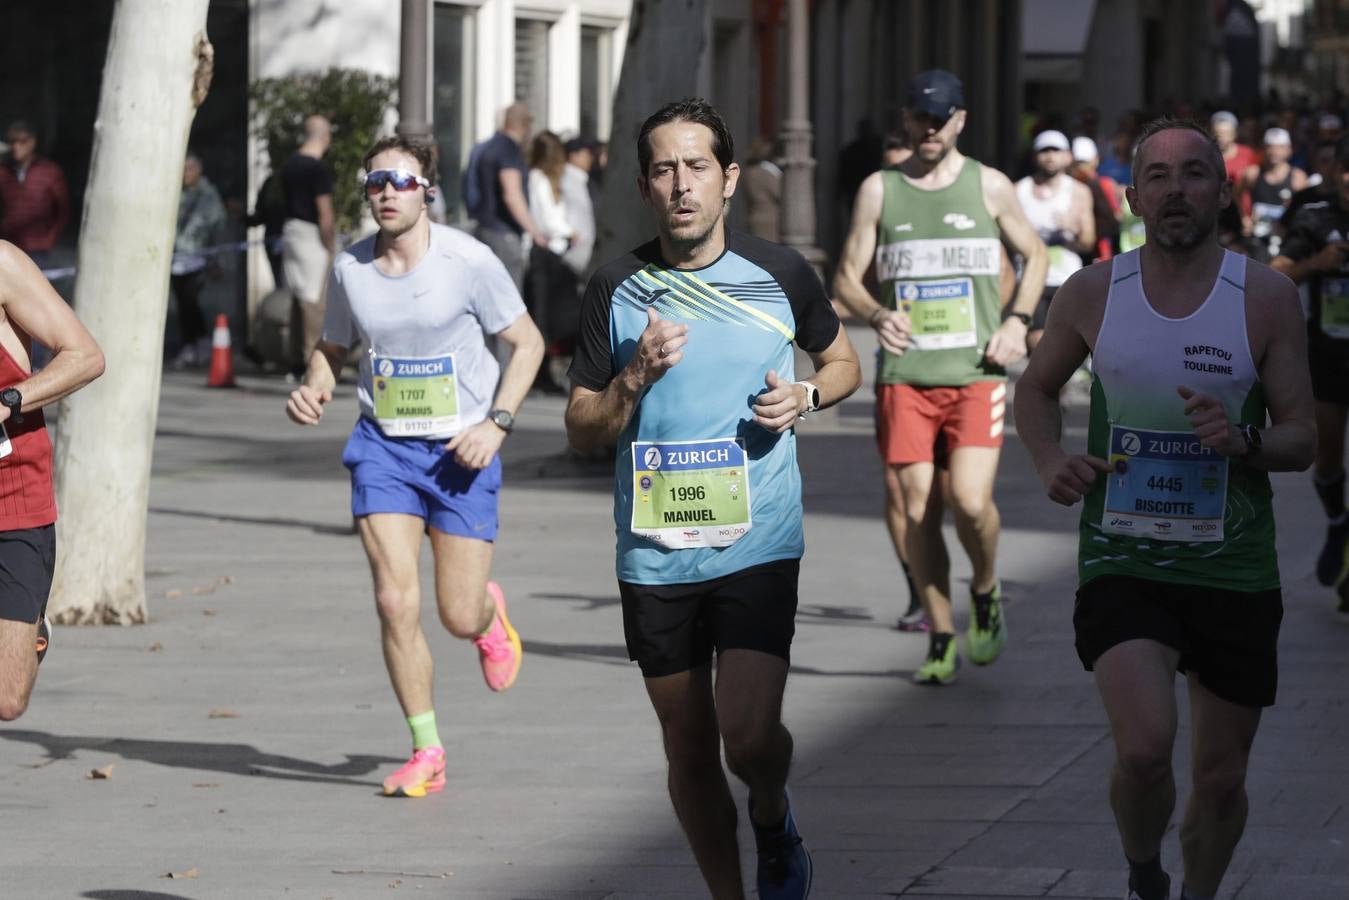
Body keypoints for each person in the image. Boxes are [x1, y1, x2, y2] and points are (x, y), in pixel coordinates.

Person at [565, 97, 861, 900]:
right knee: (689, 749)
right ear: (643, 185)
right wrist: (632, 378)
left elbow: (842, 365)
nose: (681, 184)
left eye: (697, 166)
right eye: (663, 169)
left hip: (756, 539)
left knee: (750, 734)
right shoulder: (617, 285)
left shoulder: (779, 273)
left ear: (728, 179)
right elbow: (581, 427)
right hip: (655, 553)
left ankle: (771, 807)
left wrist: (805, 395)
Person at [1014, 117, 1315, 900]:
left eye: (1192, 174)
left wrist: (1241, 441)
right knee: (1145, 751)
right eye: (1157, 175)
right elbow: (1035, 387)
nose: (1175, 190)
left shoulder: (1266, 296)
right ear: (1131, 195)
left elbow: (1301, 438)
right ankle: (1144, 870)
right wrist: (1050, 460)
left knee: (1218, 779)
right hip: (1123, 556)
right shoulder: (1090, 292)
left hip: (1233, 568)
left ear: (1222, 190)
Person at [285, 134, 544, 797]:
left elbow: (527, 343)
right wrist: (315, 382)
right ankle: (426, 749)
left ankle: (487, 619)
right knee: (395, 600)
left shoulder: (468, 261)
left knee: (455, 614)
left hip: (463, 450)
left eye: (400, 181)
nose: (387, 193)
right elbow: (334, 344)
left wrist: (497, 424)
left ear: (427, 190)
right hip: (384, 448)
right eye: (376, 182)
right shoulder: (350, 269)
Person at [833, 69, 1048, 684]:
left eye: (941, 118)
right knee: (918, 506)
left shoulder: (992, 186)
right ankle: (940, 634)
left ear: (960, 120)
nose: (929, 128)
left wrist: (1017, 321)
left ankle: (983, 587)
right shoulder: (880, 190)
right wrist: (875, 313)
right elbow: (847, 275)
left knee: (970, 500)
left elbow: (1034, 254)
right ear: (906, 118)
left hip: (976, 373)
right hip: (905, 375)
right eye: (919, 117)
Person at [0, 241, 105, 720]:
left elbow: (84, 355)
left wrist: (9, 401)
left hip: (13, 493)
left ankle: (31, 629)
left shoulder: (3, 264)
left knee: (7, 698)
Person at [1271, 136, 1349, 611]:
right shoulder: (1316, 219)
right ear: (1336, 171)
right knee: (1327, 458)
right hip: (1328, 355)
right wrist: (1316, 264)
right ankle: (1338, 522)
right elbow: (1274, 273)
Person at [1018, 130, 1097, 353]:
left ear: (1067, 156)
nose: (1050, 156)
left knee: (1063, 345)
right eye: (1044, 151)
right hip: (1031, 276)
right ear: (1035, 156)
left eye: (1056, 150)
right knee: (1037, 342)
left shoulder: (1078, 191)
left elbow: (1088, 242)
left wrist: (1072, 227)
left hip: (1066, 277)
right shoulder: (1018, 190)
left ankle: (1053, 386)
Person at [463, 102, 548, 290]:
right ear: (526, 125)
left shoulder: (485, 147)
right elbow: (512, 194)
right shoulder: (509, 150)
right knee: (509, 297)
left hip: (484, 229)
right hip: (504, 234)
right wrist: (535, 232)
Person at [281, 115, 337, 376]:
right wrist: (330, 244)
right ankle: (311, 361)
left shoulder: (290, 164)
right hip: (311, 234)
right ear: (325, 137)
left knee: (298, 298)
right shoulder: (316, 169)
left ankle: (294, 359)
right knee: (314, 302)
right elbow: (324, 211)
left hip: (291, 231)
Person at [525, 130, 577, 394]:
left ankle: (545, 370)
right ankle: (540, 372)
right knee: (542, 315)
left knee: (553, 316)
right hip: (546, 252)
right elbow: (546, 219)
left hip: (556, 253)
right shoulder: (537, 179)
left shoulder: (547, 180)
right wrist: (569, 231)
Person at [169, 153, 226, 368]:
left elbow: (216, 228)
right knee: (183, 303)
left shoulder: (208, 196)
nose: (186, 174)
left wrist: (216, 259)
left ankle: (200, 343)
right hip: (177, 258)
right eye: (183, 169)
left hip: (198, 258)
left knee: (191, 301)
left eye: (190, 169)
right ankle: (189, 344)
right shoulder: (177, 194)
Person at [0, 121, 69, 270]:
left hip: (38, 246)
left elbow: (62, 208)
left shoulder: (49, 172)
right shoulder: (3, 172)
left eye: (22, 141)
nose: (16, 147)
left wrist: (50, 238)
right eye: (13, 142)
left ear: (32, 143)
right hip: (10, 242)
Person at [1242, 127, 1307, 262]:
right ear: (1264, 149)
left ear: (1289, 150)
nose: (1275, 152)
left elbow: (1305, 211)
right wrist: (1244, 217)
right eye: (1270, 147)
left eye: (1280, 147)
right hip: (1258, 241)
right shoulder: (1252, 174)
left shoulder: (1297, 177)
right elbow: (1237, 194)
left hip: (1285, 241)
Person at [1071, 135, 1122, 262]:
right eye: (1079, 163)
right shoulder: (1066, 186)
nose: (1082, 168)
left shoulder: (1105, 185)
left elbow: (1115, 220)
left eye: (1085, 163)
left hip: (1101, 254)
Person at [561, 137, 597, 278]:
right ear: (573, 156)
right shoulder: (567, 180)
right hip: (572, 250)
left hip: (583, 248)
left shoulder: (582, 180)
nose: (590, 158)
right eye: (586, 154)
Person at [743, 137, 783, 242]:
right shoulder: (766, 172)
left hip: (754, 216)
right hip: (770, 220)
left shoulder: (749, 171)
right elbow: (780, 194)